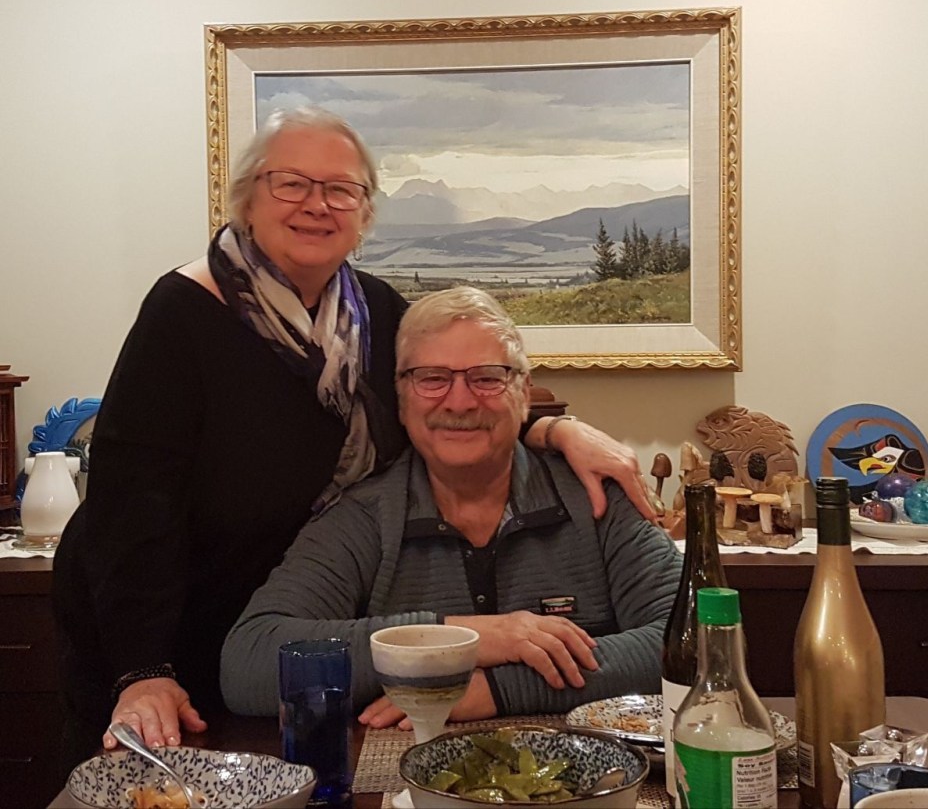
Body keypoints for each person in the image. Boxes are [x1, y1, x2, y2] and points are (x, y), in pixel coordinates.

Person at [51, 107, 656, 769]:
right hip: (158, 621)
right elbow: (130, 501)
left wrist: (554, 428)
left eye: (341, 189)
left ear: (365, 213)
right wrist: (142, 668)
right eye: (291, 183)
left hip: (301, 612)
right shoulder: (183, 312)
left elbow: (450, 395)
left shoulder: (375, 313)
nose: (317, 204)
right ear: (247, 199)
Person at [221, 287, 681, 723]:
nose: (459, 402)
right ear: (402, 400)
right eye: (432, 379)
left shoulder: (595, 496)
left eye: (487, 378)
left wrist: (500, 689)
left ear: (523, 394)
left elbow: (699, 639)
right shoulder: (364, 517)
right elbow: (248, 664)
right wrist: (463, 640)